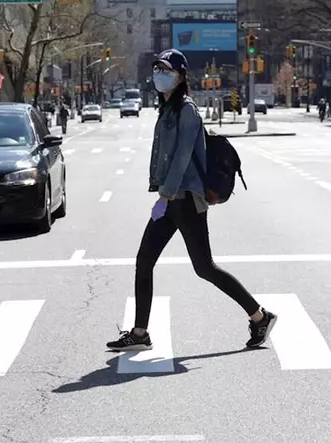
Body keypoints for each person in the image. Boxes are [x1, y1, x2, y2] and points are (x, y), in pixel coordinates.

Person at [107, 48, 276, 352]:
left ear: (180, 76)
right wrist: (163, 194)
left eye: (166, 70)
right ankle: (140, 333)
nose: (159, 74)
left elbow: (183, 157)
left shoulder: (187, 110)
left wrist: (164, 196)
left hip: (185, 200)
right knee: (144, 261)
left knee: (204, 268)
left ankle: (260, 316)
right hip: (171, 199)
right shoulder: (167, 108)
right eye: (157, 69)